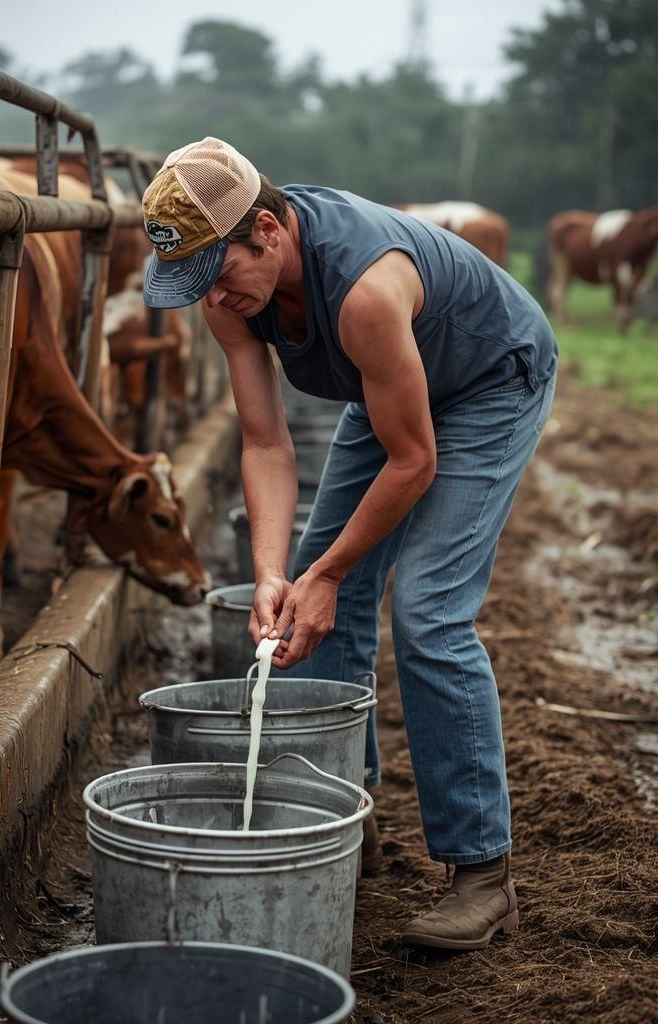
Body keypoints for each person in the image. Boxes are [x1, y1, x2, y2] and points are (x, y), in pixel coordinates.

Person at [141, 137, 558, 951]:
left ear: (267, 228)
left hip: (485, 380)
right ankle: (340, 816)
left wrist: (328, 570)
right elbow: (264, 445)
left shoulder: (365, 288)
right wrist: (276, 573)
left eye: (221, 275)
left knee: (429, 609)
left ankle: (481, 872)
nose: (217, 301)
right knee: (310, 599)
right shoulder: (228, 296)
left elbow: (415, 460)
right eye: (199, 285)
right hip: (393, 386)